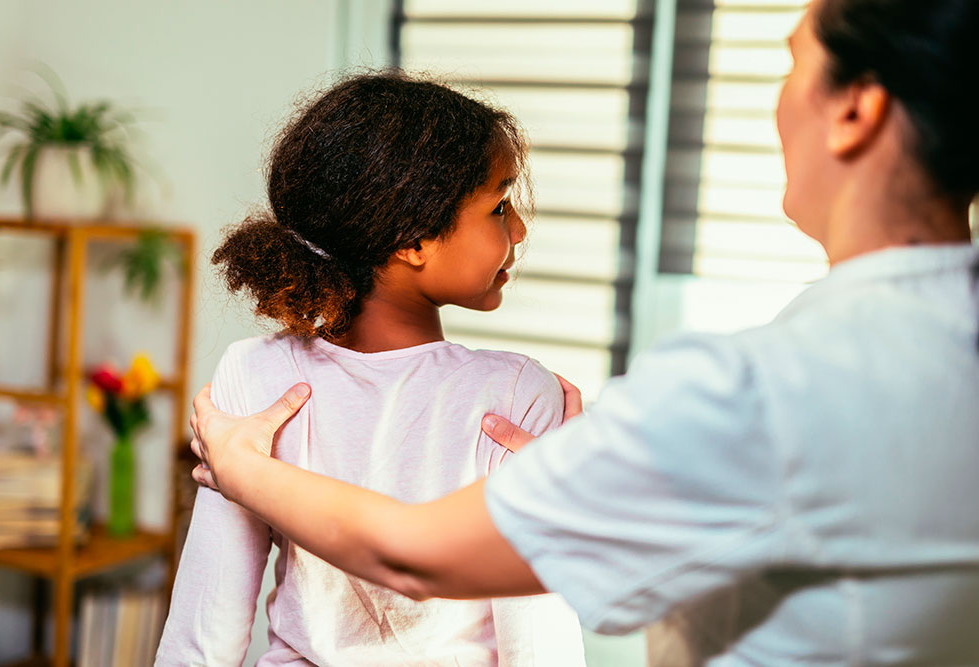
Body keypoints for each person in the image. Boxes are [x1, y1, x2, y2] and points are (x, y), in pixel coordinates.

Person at [188, 0, 979, 663]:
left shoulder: (757, 389)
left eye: (792, 60)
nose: (777, 98)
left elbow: (411, 554)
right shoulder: (864, 357)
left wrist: (238, 464)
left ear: (855, 108)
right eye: (499, 205)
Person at [155, 73, 586, 666]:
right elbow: (539, 642)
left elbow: (204, 629)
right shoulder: (518, 394)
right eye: (499, 205)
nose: (518, 229)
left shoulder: (254, 373)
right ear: (414, 239)